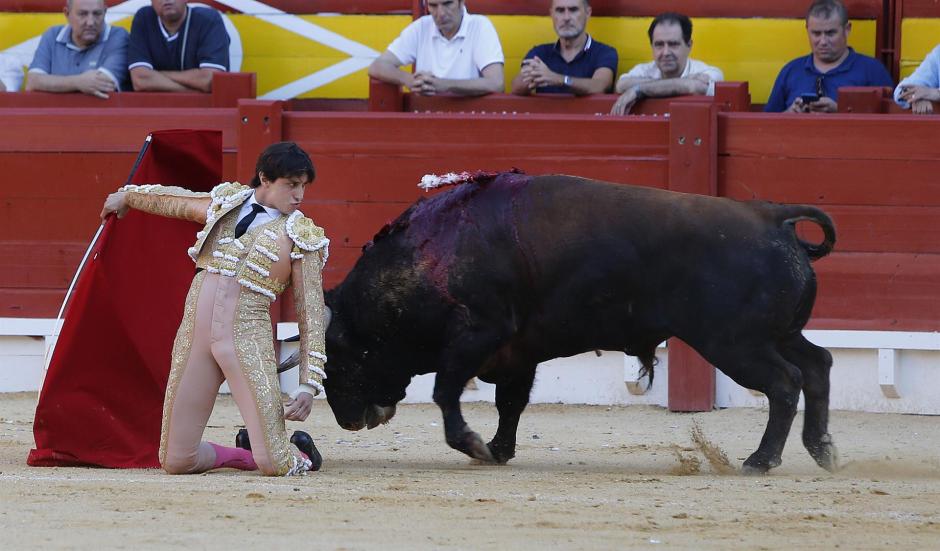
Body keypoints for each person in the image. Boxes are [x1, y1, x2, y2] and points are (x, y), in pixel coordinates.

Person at [99, 142, 327, 477]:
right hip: (195, 336)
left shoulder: (301, 236)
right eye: (291, 185)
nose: (299, 195)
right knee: (177, 460)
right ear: (265, 178)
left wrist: (308, 385)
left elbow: (312, 315)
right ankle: (242, 455)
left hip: (246, 340)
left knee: (275, 464)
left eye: (303, 186)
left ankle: (299, 454)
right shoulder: (226, 205)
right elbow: (176, 201)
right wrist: (128, 197)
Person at [764, 0, 892, 113]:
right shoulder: (790, 71)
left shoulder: (873, 71)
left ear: (847, 29)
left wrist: (840, 111)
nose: (823, 41)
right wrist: (790, 114)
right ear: (807, 30)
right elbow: (765, 127)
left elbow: (891, 124)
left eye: (830, 33)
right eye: (816, 33)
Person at [367, 0, 504, 96]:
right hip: (426, 118)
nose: (441, 13)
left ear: (461, 2)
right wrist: (410, 80)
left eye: (447, 3)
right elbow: (377, 66)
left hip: (470, 119)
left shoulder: (480, 25)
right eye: (433, 5)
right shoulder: (421, 27)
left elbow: (496, 83)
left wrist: (444, 84)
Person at [610, 12, 723, 116]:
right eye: (659, 44)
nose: (666, 52)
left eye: (673, 44)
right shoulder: (644, 70)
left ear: (689, 45)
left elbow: (696, 87)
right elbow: (622, 85)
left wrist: (639, 89)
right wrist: (683, 83)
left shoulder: (710, 72)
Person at [510, 0, 617, 96]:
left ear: (588, 13)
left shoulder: (604, 53)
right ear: (552, 14)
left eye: (573, 10)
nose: (566, 17)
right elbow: (516, 87)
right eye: (560, 11)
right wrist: (531, 78)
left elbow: (599, 86)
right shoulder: (540, 53)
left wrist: (559, 79)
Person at [25, 0, 129, 98]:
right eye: (83, 14)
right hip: (56, 115)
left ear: (105, 12)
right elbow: (33, 82)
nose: (90, 22)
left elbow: (103, 83)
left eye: (97, 14)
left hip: (100, 116)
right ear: (67, 13)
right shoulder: (53, 35)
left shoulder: (118, 36)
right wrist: (78, 82)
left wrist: (52, 84)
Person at [127, 0, 229, 93]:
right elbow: (140, 80)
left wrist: (156, 75)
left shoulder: (208, 20)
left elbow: (209, 80)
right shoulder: (144, 18)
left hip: (203, 109)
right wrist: (193, 91)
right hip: (156, 107)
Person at [894, 44, 940, 115]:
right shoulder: (938, 53)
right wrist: (917, 97)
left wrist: (935, 93)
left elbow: (932, 93)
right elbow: (902, 88)